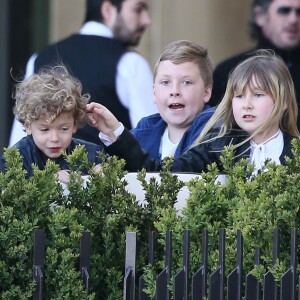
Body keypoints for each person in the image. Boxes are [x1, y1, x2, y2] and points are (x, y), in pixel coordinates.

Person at [87, 50, 299, 175]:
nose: (247, 104)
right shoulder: (218, 145)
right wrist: (117, 131)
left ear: (283, 102)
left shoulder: (295, 152)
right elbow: (161, 174)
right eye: (239, 96)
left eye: (258, 95)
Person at [9, 0, 157, 146]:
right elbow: (150, 142)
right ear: (107, 10)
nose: (146, 21)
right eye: (138, 9)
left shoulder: (38, 59)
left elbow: (16, 148)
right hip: (108, 169)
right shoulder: (132, 63)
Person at [1, 65, 103, 181]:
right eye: (45, 130)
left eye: (64, 129)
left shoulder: (93, 154)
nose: (54, 138)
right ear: (28, 126)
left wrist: (104, 170)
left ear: (74, 125)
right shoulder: (15, 160)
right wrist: (47, 180)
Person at [211, 0, 300, 129]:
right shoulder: (230, 70)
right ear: (260, 16)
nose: (293, 19)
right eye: (284, 11)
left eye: (299, 12)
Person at [131, 40, 215, 160]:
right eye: (165, 82)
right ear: (154, 92)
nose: (174, 91)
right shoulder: (144, 130)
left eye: (186, 82)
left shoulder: (215, 133)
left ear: (206, 92)